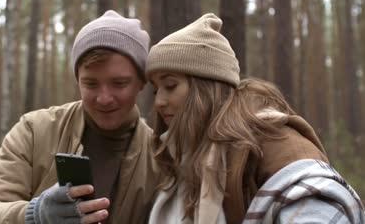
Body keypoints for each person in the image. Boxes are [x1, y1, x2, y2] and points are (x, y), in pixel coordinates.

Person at [145, 13, 365, 223]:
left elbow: (317, 203)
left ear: (205, 87)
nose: (159, 102)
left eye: (170, 85)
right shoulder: (181, 159)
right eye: (156, 90)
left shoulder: (270, 140)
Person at [0, 10, 159, 224]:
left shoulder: (160, 156)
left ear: (142, 82)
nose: (104, 98)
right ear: (78, 80)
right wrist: (34, 215)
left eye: (119, 83)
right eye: (91, 84)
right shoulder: (35, 131)